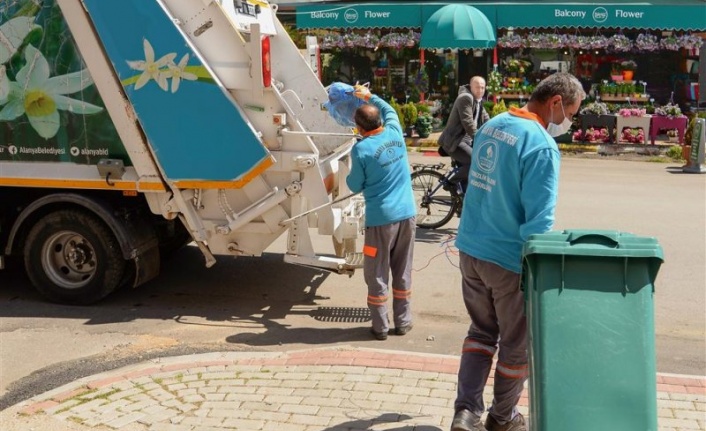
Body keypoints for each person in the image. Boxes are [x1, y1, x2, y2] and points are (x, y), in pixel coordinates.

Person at [450, 72, 585, 431]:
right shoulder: (540, 145)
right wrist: (541, 274)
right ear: (555, 102)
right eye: (571, 113)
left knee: (480, 333)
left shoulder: (494, 125)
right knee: (515, 346)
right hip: (508, 261)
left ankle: (465, 413)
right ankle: (502, 417)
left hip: (470, 250)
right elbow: (539, 224)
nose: (569, 122)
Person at [346, 85, 417, 341]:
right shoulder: (396, 131)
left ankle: (380, 327)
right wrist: (368, 96)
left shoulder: (361, 149)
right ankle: (404, 321)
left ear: (360, 129)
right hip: (407, 215)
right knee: (402, 268)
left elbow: (354, 185)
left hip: (380, 221)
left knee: (376, 271)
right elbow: (388, 109)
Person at [438, 76, 490, 188]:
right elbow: (468, 123)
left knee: (473, 172)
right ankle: (450, 182)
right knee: (476, 162)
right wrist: (480, 138)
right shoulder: (466, 98)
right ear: (470, 87)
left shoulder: (478, 102)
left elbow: (487, 121)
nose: (480, 90)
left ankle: (462, 200)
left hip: (467, 142)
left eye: (482, 87)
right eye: (477, 87)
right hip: (456, 141)